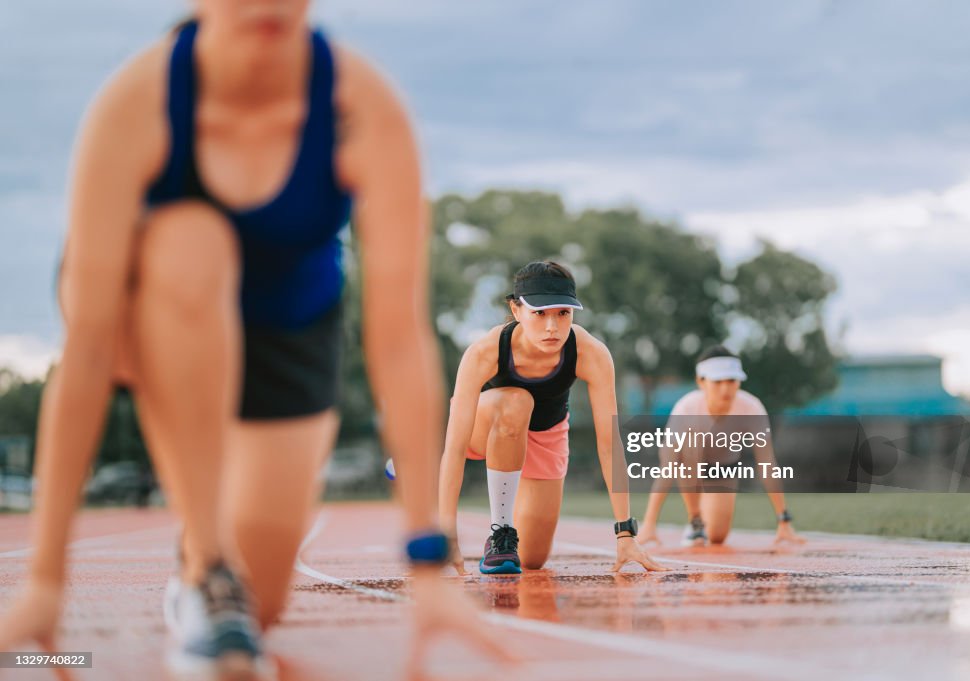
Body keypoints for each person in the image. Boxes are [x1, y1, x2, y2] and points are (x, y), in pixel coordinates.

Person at [0, 2, 503, 677]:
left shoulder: (362, 106)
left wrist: (428, 564)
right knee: (189, 241)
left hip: (288, 331)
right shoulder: (135, 105)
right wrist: (45, 580)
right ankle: (208, 554)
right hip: (155, 306)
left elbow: (398, 338)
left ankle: (205, 555)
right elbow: (85, 347)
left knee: (260, 605)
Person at [438, 261, 666, 575]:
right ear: (516, 310)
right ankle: (500, 533)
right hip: (484, 429)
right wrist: (447, 533)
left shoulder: (591, 353)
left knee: (533, 560)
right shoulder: (485, 352)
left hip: (547, 435)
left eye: (562, 314)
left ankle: (512, 540)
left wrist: (625, 534)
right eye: (539, 313)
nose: (552, 327)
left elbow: (609, 444)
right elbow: (455, 446)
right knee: (517, 401)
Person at [636, 345, 805, 547]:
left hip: (723, 466)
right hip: (687, 462)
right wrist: (649, 524)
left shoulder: (752, 409)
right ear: (701, 382)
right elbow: (668, 469)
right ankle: (696, 521)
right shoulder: (686, 409)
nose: (725, 389)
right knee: (689, 442)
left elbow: (767, 463)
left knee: (717, 536)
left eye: (732, 381)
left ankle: (707, 520)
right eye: (717, 382)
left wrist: (783, 519)